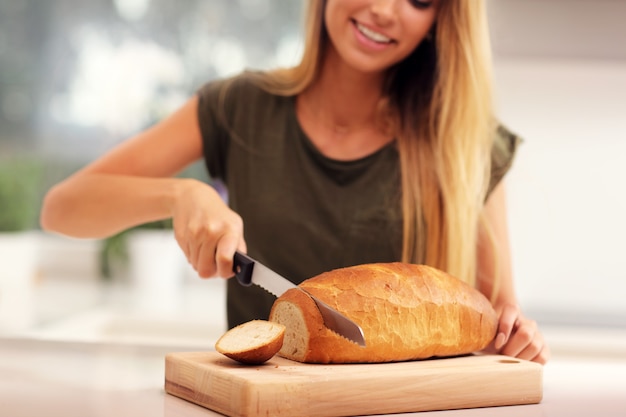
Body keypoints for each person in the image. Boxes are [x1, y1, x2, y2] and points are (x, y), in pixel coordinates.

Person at [41, 0, 549, 364]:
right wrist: (181, 193)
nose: (386, 10)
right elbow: (62, 208)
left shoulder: (467, 146)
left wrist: (516, 336)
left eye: (418, 0)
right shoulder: (240, 107)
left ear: (441, 20)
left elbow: (497, 323)